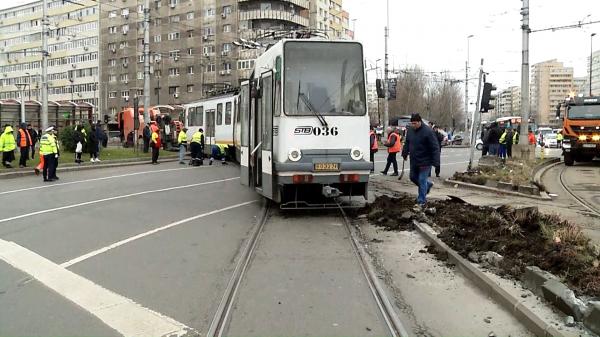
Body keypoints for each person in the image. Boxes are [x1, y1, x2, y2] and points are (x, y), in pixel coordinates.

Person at [401, 113, 440, 207]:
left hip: (425, 161)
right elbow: (407, 143)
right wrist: (405, 153)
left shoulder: (428, 131)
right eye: (412, 123)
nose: (413, 125)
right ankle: (428, 185)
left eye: (415, 123)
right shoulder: (410, 130)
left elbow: (435, 147)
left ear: (420, 122)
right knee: (413, 177)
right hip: (414, 160)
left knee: (422, 180)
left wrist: (436, 162)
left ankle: (421, 201)